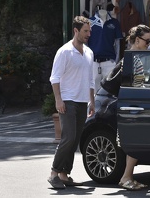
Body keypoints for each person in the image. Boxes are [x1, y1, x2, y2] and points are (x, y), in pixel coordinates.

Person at [47, 16, 95, 189]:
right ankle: (54, 172)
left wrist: (92, 101)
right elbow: (55, 78)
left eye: (89, 31)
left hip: (82, 101)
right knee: (68, 137)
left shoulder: (89, 52)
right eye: (85, 31)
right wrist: (58, 100)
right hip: (67, 100)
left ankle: (64, 174)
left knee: (75, 140)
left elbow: (90, 80)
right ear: (76, 31)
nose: (88, 34)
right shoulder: (64, 51)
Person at [118, 24, 150, 191]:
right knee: (134, 144)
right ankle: (126, 177)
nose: (149, 44)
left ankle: (128, 177)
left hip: (134, 106)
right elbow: (130, 86)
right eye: (148, 41)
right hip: (133, 108)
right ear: (137, 40)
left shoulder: (134, 57)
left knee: (136, 144)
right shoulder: (131, 59)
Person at [88, 9, 123, 91]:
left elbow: (118, 44)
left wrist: (116, 61)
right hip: (93, 62)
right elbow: (85, 42)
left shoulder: (114, 22)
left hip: (109, 62)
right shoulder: (89, 22)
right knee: (93, 91)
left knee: (110, 91)